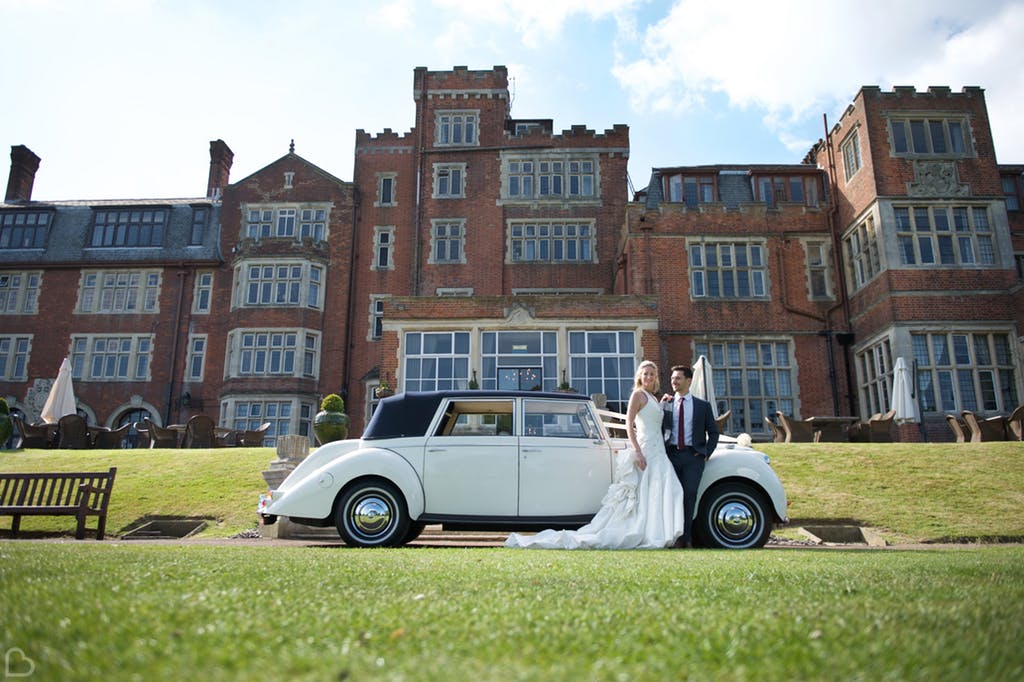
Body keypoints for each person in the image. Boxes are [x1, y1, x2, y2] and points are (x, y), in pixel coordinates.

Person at [505, 360, 686, 549]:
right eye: (645, 373)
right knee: (643, 494)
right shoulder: (637, 395)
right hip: (646, 450)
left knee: (661, 491)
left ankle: (657, 531)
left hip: (659, 452)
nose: (649, 377)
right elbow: (629, 424)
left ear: (656, 378)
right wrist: (638, 452)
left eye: (652, 374)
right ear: (640, 376)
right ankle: (647, 532)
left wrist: (665, 401)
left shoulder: (654, 398)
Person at [661, 364, 719, 548]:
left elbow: (714, 432)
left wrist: (705, 454)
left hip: (693, 457)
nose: (674, 381)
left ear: (688, 380)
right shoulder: (666, 403)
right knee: (671, 496)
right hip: (670, 455)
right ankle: (671, 536)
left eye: (678, 378)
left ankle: (686, 538)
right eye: (672, 378)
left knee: (689, 495)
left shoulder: (702, 406)